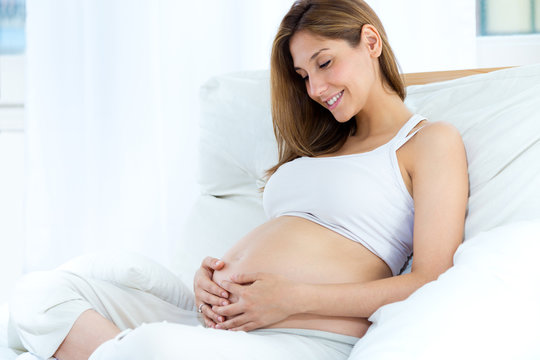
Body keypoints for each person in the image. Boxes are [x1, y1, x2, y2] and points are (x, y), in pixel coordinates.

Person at [9, 0, 468, 359]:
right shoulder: (315, 145)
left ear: (370, 41)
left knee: (151, 349)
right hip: (215, 321)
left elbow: (430, 279)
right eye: (303, 75)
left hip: (303, 335)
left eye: (325, 63)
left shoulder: (428, 143)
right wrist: (210, 279)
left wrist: (291, 298)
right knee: (41, 296)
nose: (315, 89)